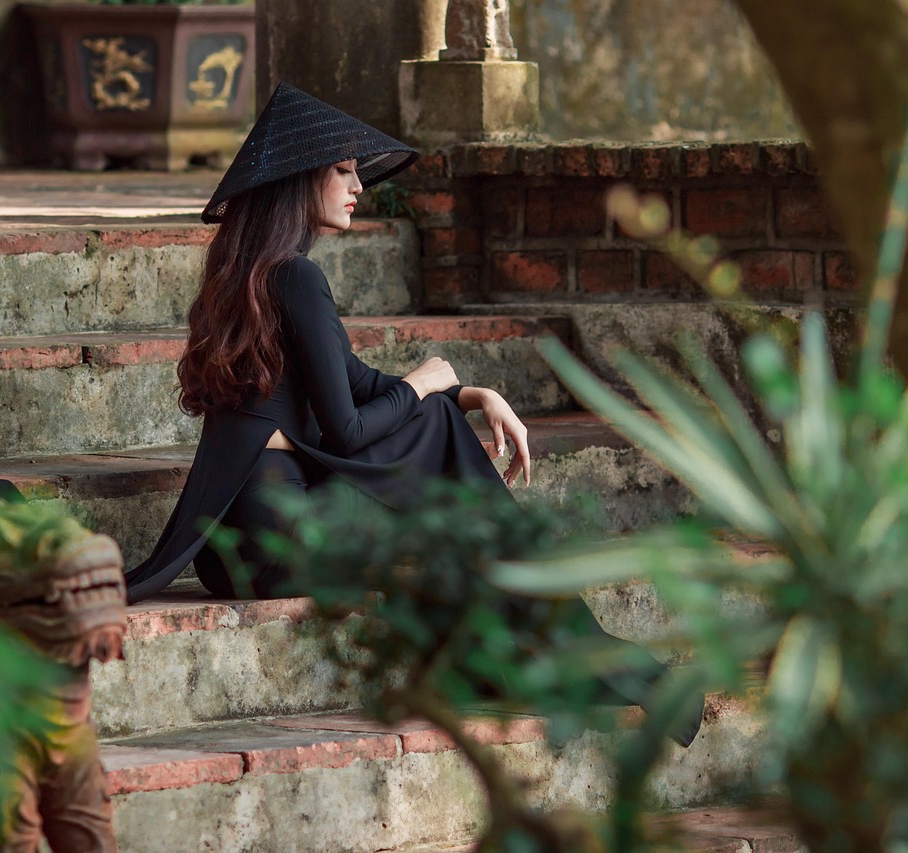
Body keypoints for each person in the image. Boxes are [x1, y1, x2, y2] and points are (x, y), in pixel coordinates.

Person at [124, 83, 703, 746]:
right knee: (444, 456)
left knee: (446, 478)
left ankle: (519, 657)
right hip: (284, 542)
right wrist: (427, 385)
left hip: (237, 550)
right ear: (298, 181)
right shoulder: (296, 277)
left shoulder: (256, 274)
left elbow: (357, 382)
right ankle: (569, 657)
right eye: (342, 171)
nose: (358, 187)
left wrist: (468, 392)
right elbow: (347, 430)